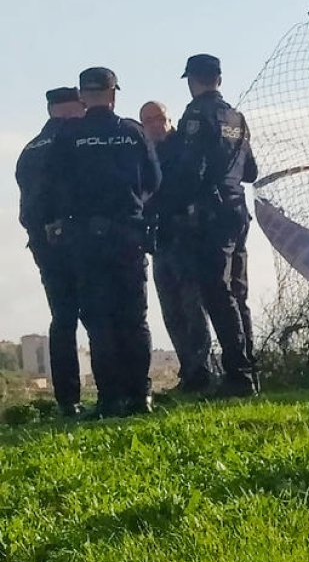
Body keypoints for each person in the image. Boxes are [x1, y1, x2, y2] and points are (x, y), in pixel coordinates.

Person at [43, 67, 160, 418]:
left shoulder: (68, 136)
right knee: (135, 317)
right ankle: (140, 396)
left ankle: (109, 399)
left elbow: (54, 186)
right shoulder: (132, 132)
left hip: (86, 239)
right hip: (129, 234)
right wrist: (132, 205)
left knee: (99, 320)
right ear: (113, 94)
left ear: (83, 96)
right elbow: (154, 179)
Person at [158, 54, 259, 397]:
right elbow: (251, 172)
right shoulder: (237, 118)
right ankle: (248, 370)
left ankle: (238, 376)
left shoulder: (196, 116)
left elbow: (190, 169)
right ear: (218, 78)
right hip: (237, 211)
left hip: (209, 214)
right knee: (236, 292)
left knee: (218, 293)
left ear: (192, 80)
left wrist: (171, 205)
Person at [15, 87, 87, 417]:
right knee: (98, 316)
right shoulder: (73, 141)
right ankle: (113, 392)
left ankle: (67, 398)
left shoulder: (30, 149)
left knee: (62, 319)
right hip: (78, 237)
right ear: (72, 107)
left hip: (43, 244)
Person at [140, 101, 215, 393]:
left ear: (168, 119)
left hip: (185, 238)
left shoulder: (182, 148)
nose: (153, 125)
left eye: (158, 118)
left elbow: (181, 188)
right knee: (171, 310)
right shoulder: (147, 155)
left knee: (191, 306)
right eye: (147, 120)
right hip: (160, 241)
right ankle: (189, 371)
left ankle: (201, 372)